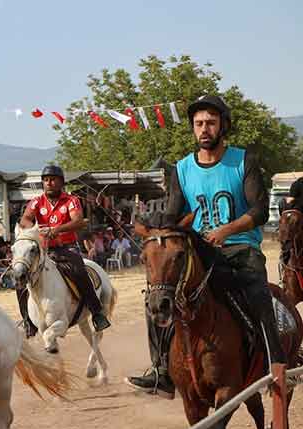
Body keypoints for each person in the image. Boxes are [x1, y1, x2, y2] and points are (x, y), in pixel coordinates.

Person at [127, 94, 277, 398]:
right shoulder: (182, 169)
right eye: (198, 124)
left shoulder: (244, 160)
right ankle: (161, 371)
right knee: (157, 295)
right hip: (197, 252)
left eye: (210, 122)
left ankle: (277, 365)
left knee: (258, 294)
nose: (204, 129)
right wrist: (155, 226)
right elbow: (173, 213)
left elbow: (260, 210)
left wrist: (227, 230)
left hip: (240, 248)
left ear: (223, 125)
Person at [16, 164, 111, 337]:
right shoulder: (36, 202)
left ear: (61, 182)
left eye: (53, 179)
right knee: (21, 277)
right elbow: (25, 220)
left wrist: (57, 230)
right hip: (42, 250)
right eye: (46, 180)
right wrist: (35, 229)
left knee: (79, 271)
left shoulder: (71, 201)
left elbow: (77, 221)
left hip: (66, 248)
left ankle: (97, 312)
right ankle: (28, 321)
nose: (49, 183)